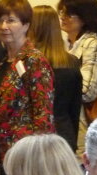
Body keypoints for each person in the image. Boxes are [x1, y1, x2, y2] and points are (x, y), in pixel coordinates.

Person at [0, 0, 55, 165]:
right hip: (2, 150)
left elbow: (43, 114)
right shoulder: (2, 63)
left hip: (27, 154)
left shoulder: (34, 60)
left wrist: (38, 156)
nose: (3, 26)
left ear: (26, 25)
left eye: (11, 20)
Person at [57, 0, 97, 156]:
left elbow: (88, 91)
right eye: (62, 12)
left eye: (69, 14)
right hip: (66, 120)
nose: (63, 17)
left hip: (82, 123)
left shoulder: (91, 44)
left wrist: (57, 89)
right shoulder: (64, 44)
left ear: (85, 17)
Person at [30, 5, 82, 151]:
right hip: (64, 133)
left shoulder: (28, 62)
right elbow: (75, 107)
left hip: (34, 135)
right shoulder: (72, 61)